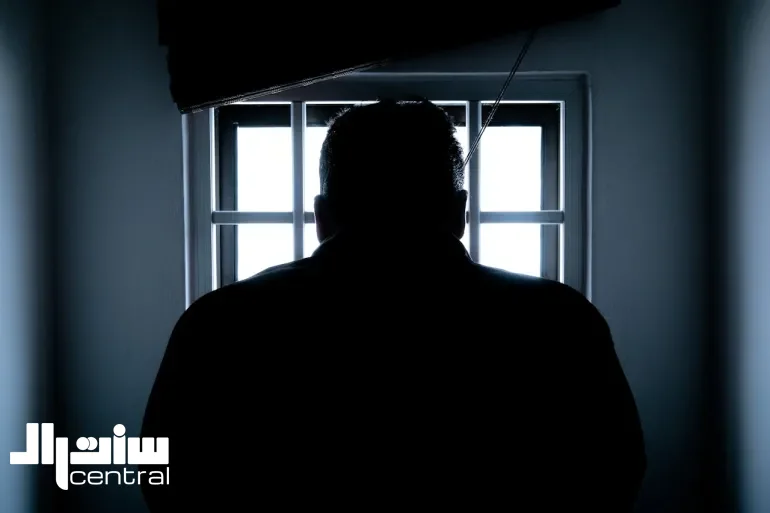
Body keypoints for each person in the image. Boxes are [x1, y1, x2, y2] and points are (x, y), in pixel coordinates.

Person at [140, 100, 646, 512]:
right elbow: (611, 476)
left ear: (320, 215)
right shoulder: (559, 322)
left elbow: (165, 479)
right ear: (460, 211)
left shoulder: (220, 324)